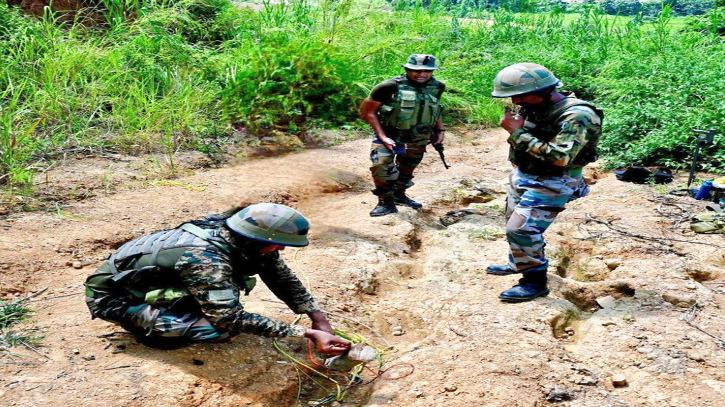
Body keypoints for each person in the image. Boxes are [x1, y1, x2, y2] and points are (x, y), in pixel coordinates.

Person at [84, 203, 351, 354]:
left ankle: (178, 307)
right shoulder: (205, 257)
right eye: (279, 244)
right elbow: (228, 317)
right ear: (255, 238)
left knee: (220, 297)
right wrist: (304, 333)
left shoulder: (239, 236)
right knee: (218, 329)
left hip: (150, 283)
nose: (281, 250)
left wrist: (317, 316)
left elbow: (281, 278)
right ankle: (149, 327)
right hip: (114, 298)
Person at [488, 63, 603, 302]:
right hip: (526, 175)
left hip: (553, 181)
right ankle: (518, 262)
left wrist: (515, 132)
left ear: (542, 90)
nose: (515, 101)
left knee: (522, 228)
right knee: (513, 220)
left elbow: (560, 158)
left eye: (519, 95)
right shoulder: (536, 105)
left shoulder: (577, 114)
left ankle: (534, 282)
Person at [360, 54, 446, 217]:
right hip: (389, 134)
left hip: (418, 137)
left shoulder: (438, 87)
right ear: (407, 69)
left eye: (427, 71)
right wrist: (383, 137)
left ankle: (399, 195)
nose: (421, 74)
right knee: (381, 165)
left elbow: (435, 108)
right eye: (416, 70)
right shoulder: (388, 86)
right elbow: (368, 111)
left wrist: (440, 130)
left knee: (407, 167)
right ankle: (385, 201)